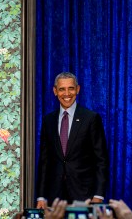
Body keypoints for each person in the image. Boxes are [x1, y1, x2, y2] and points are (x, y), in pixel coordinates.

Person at [36, 72, 109, 208]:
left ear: (78, 89)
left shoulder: (91, 118)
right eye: (62, 89)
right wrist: (41, 196)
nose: (67, 93)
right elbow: (44, 161)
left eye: (71, 88)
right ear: (55, 91)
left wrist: (98, 195)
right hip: (55, 196)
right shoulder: (48, 120)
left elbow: (101, 160)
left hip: (84, 195)